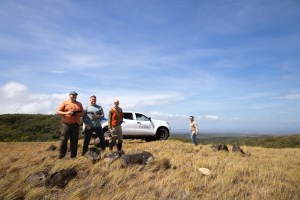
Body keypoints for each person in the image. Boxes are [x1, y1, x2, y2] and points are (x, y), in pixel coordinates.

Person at [56, 91, 84, 158]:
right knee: (64, 140)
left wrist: (77, 114)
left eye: (75, 95)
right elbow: (58, 111)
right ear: (69, 95)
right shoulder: (65, 102)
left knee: (74, 141)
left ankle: (73, 156)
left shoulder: (79, 104)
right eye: (73, 95)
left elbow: (82, 114)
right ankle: (61, 156)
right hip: (66, 124)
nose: (74, 96)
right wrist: (67, 113)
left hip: (75, 125)